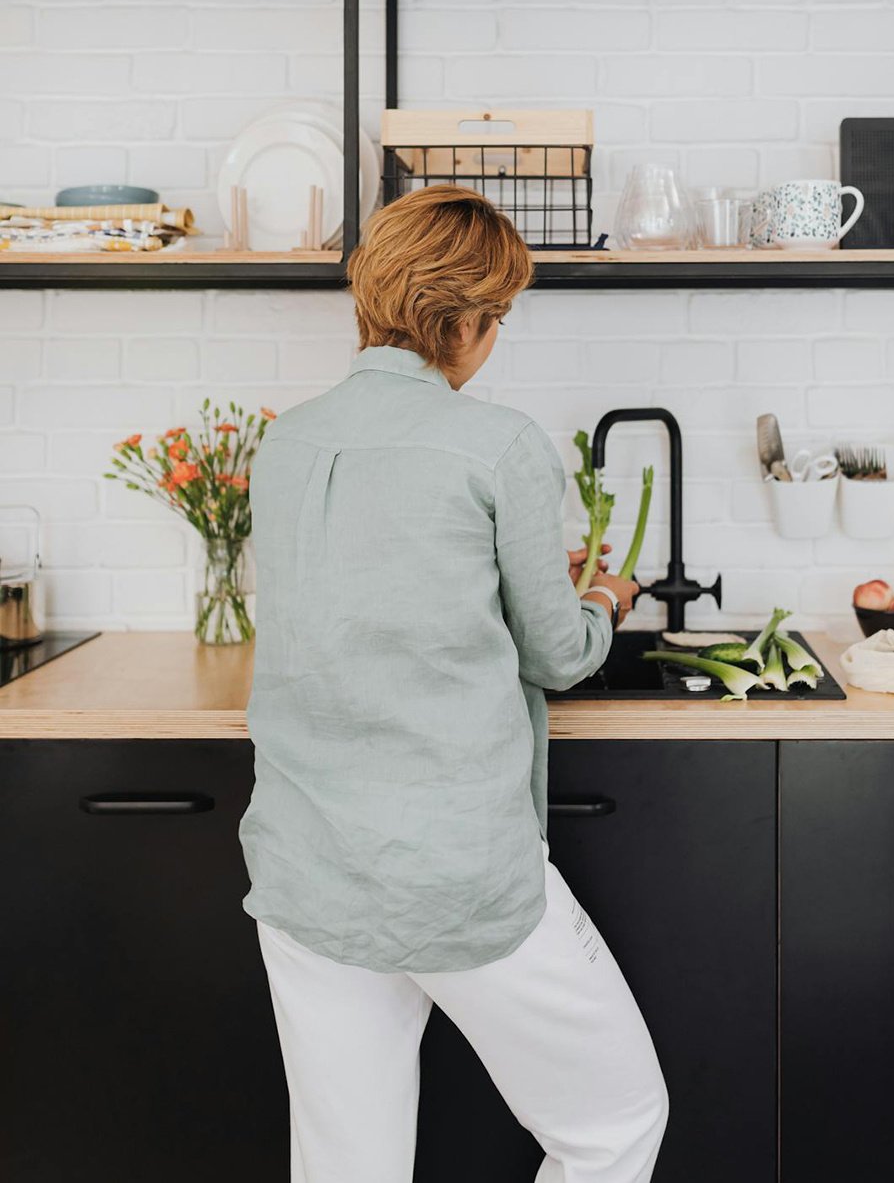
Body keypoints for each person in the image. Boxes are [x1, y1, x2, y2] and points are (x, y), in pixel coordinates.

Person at [239, 184, 668, 1182]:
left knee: (350, 1166)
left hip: (308, 862)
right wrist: (603, 597)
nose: (494, 337)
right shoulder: (499, 444)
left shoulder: (286, 441)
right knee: (613, 1124)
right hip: (457, 872)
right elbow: (559, 655)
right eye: (499, 315)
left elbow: (368, 601)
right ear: (463, 319)